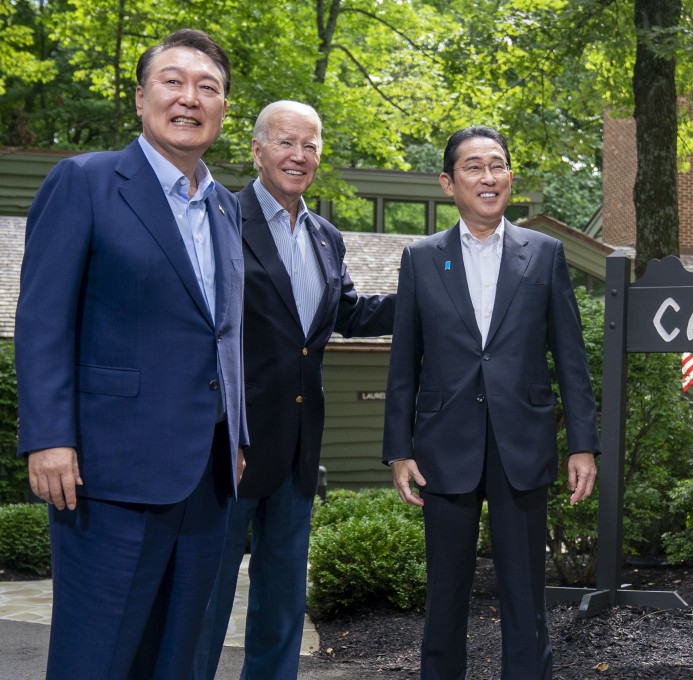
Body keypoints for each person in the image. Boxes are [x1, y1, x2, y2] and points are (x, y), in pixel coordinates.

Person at [15, 29, 247, 680]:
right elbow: (42, 319)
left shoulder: (227, 210)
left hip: (204, 478)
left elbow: (225, 332)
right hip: (108, 475)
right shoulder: (84, 182)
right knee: (98, 659)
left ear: (223, 110)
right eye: (173, 81)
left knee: (176, 661)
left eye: (208, 87)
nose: (189, 97)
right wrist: (49, 436)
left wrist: (237, 430)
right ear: (141, 97)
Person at [383, 125, 600, 680]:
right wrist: (398, 449)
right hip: (442, 449)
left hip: (520, 447)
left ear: (510, 177)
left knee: (525, 595)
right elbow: (405, 361)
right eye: (473, 167)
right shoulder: (422, 257)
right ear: (447, 182)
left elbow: (570, 357)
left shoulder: (545, 254)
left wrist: (583, 444)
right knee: (446, 592)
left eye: (497, 165)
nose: (488, 177)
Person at [192, 100, 395, 680]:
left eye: (310, 145)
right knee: (204, 602)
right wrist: (216, 429)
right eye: (285, 142)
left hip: (298, 451)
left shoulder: (327, 236)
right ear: (256, 151)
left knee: (281, 604)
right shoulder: (219, 218)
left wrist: (430, 300)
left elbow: (346, 315)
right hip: (227, 448)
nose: (298, 156)